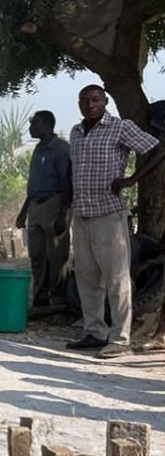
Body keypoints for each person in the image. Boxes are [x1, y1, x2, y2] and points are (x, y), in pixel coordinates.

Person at [67, 85, 165, 358]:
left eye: (95, 100)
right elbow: (72, 170)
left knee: (117, 279)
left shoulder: (120, 127)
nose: (90, 105)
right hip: (81, 213)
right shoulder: (76, 132)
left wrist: (133, 179)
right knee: (87, 278)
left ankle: (120, 339)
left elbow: (155, 148)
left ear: (105, 101)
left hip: (108, 214)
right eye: (84, 100)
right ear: (79, 104)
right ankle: (93, 332)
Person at [16, 110, 72, 307]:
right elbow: (33, 184)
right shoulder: (38, 149)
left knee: (57, 257)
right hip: (36, 206)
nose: (31, 128)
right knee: (37, 256)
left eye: (35, 124)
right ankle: (40, 299)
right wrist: (23, 212)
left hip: (54, 204)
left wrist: (62, 215)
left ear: (47, 125)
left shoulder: (61, 149)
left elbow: (67, 183)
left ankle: (59, 301)